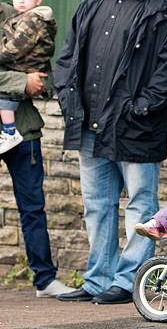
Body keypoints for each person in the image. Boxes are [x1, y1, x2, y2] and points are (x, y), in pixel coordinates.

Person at [53, 0, 167, 304]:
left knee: (141, 207)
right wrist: (68, 100)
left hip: (136, 127)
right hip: (90, 126)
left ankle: (130, 281)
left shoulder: (164, 11)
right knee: (97, 207)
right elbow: (66, 59)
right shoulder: (91, 5)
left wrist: (140, 106)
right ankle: (98, 281)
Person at [0, 41, 74, 297]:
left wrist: (36, 81)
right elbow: (27, 81)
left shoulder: (22, 22)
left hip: (24, 133)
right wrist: (21, 81)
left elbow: (45, 80)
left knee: (33, 209)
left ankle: (45, 280)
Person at [0, 0, 56, 153]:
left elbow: (44, 72)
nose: (21, 0)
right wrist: (22, 82)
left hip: (24, 128)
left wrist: (41, 84)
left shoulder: (16, 14)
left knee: (29, 181)